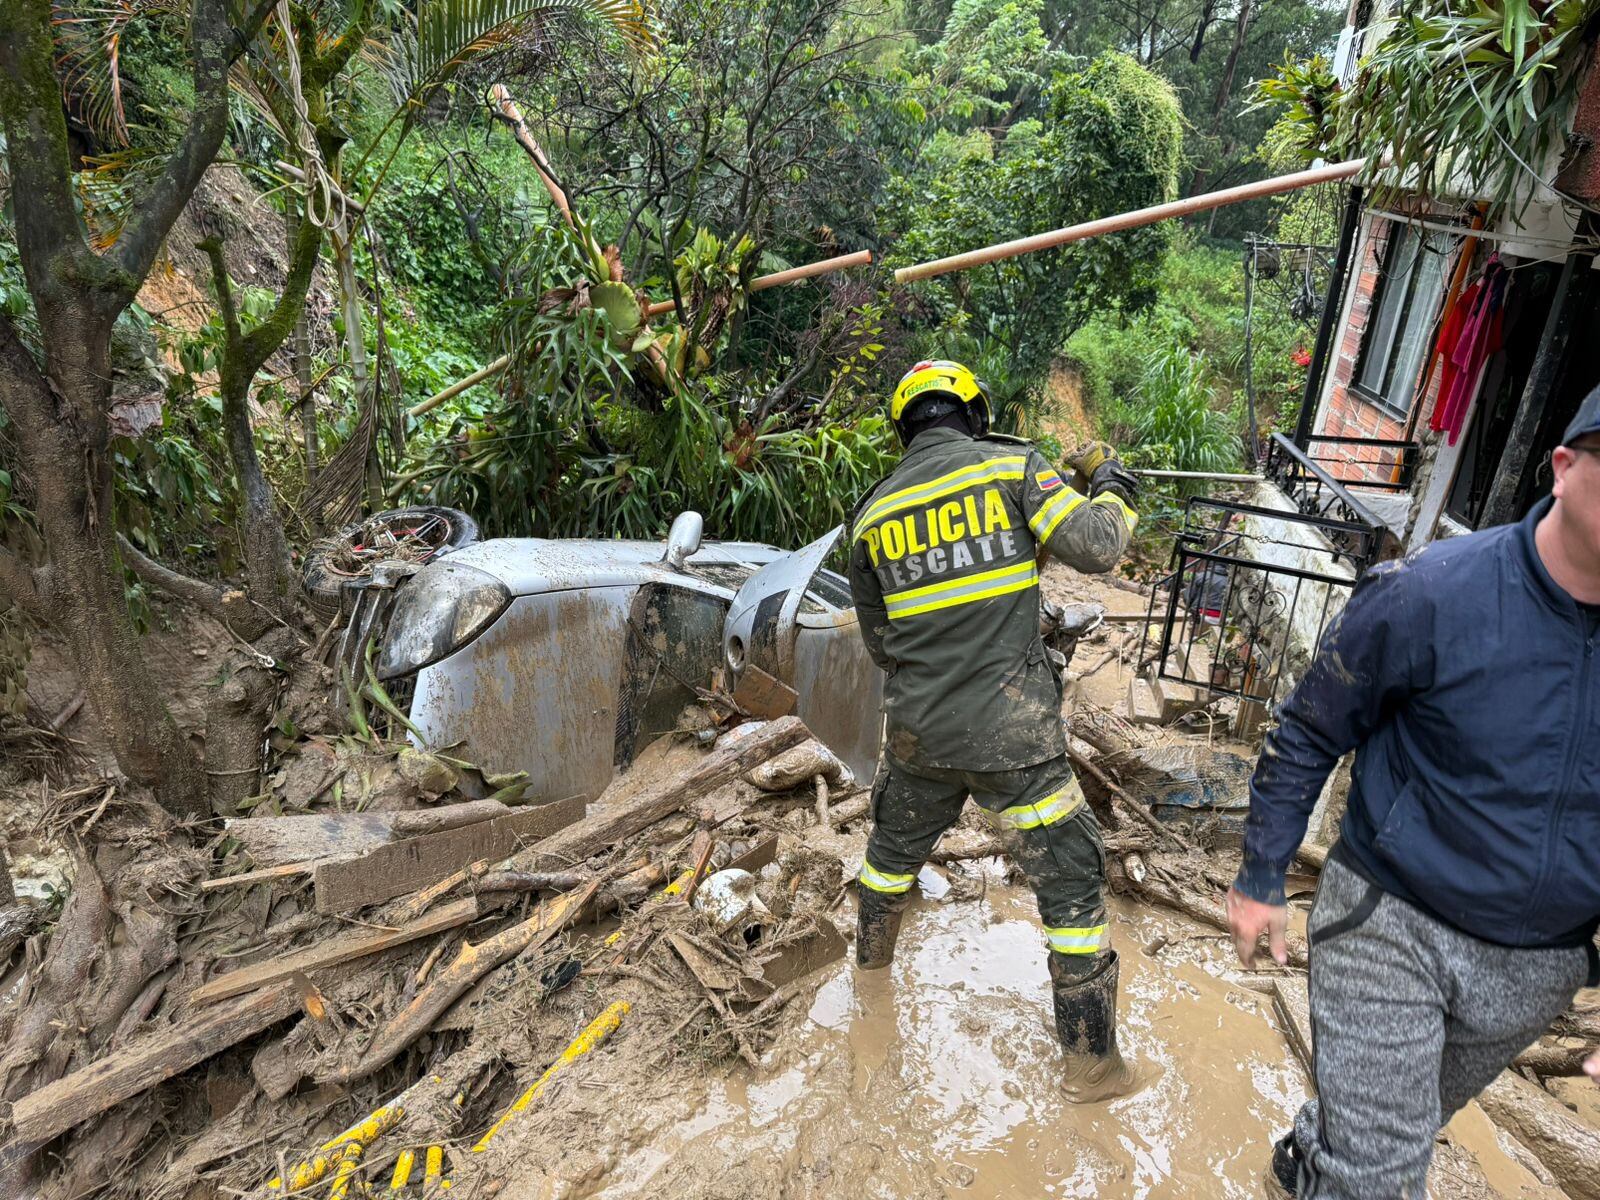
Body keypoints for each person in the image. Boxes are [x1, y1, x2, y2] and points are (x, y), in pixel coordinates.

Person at [1227, 385, 1600, 1198]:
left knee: (1393, 1121)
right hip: (1394, 923)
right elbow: (1311, 727)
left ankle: (1309, 1152)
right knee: (1379, 1179)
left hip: (1538, 967)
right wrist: (1262, 874)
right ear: (1566, 469)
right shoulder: (1433, 593)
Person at [847, 359, 1140, 1100]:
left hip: (918, 738)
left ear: (904, 429)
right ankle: (1092, 1068)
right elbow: (1101, 547)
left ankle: (868, 990)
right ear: (974, 416)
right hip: (1015, 742)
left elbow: (882, 645)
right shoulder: (1015, 469)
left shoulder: (871, 515)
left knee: (887, 864)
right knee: (1072, 890)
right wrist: (1111, 478)